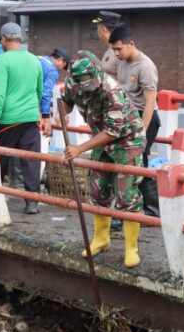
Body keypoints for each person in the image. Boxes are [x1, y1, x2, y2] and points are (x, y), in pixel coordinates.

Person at [57, 58, 146, 267]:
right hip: (100, 139)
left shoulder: (111, 92)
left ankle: (131, 248)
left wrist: (79, 149)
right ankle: (101, 239)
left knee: (127, 195)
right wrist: (62, 114)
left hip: (126, 141)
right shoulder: (73, 81)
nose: (86, 91)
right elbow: (66, 100)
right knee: (98, 190)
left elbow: (112, 132)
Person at [0, 22, 44, 214]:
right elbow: (39, 90)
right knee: (31, 160)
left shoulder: (3, 60)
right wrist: (34, 109)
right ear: (20, 39)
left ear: (3, 39)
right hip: (30, 117)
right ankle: (32, 201)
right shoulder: (34, 60)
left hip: (8, 119)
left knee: (0, 159)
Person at [110, 25, 161, 217]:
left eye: (119, 49)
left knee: (140, 162)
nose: (116, 53)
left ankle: (152, 210)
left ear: (131, 44)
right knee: (125, 162)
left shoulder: (145, 66)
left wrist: (141, 132)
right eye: (114, 49)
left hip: (144, 117)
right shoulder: (122, 62)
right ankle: (130, 207)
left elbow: (150, 103)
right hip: (127, 117)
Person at [38, 49, 66, 138]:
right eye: (64, 66)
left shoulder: (38, 58)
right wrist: (46, 119)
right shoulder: (52, 70)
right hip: (26, 110)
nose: (62, 70)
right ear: (60, 60)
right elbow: (46, 93)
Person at [93, 11, 122, 77]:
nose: (97, 31)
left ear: (104, 29)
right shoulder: (110, 49)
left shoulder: (119, 52)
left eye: (98, 28)